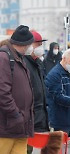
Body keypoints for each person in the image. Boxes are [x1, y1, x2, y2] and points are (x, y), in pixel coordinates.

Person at [0, 25, 34, 154]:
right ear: (25, 44)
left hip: (21, 125)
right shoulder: (4, 58)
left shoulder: (19, 58)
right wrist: (15, 114)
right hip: (8, 125)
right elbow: (2, 91)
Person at [23, 31, 49, 154]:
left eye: (40, 44)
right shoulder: (24, 63)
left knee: (30, 148)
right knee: (25, 148)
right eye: (37, 44)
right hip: (28, 117)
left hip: (37, 116)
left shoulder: (38, 63)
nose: (40, 47)